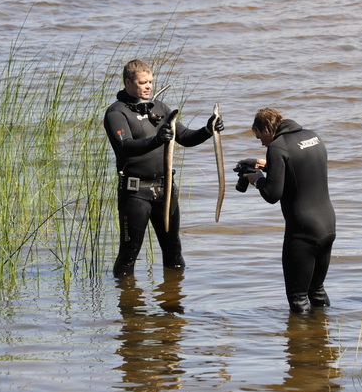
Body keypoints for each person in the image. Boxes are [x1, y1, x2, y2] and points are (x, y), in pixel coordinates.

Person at [104, 59, 223, 278]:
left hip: (165, 190)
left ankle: (173, 304)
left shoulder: (160, 108)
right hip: (135, 192)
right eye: (142, 82)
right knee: (129, 254)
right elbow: (124, 147)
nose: (148, 86)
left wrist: (208, 129)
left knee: (174, 251)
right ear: (128, 82)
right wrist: (157, 140)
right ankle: (128, 308)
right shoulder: (116, 113)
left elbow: (185, 137)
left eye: (150, 81)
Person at [239, 108, 336, 314]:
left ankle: (302, 345)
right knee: (316, 291)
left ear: (266, 129)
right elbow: (301, 168)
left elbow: (272, 194)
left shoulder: (277, 146)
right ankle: (324, 337)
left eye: (259, 137)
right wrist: (267, 166)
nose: (262, 143)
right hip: (327, 225)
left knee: (298, 300)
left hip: (303, 231)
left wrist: (255, 178)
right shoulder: (312, 136)